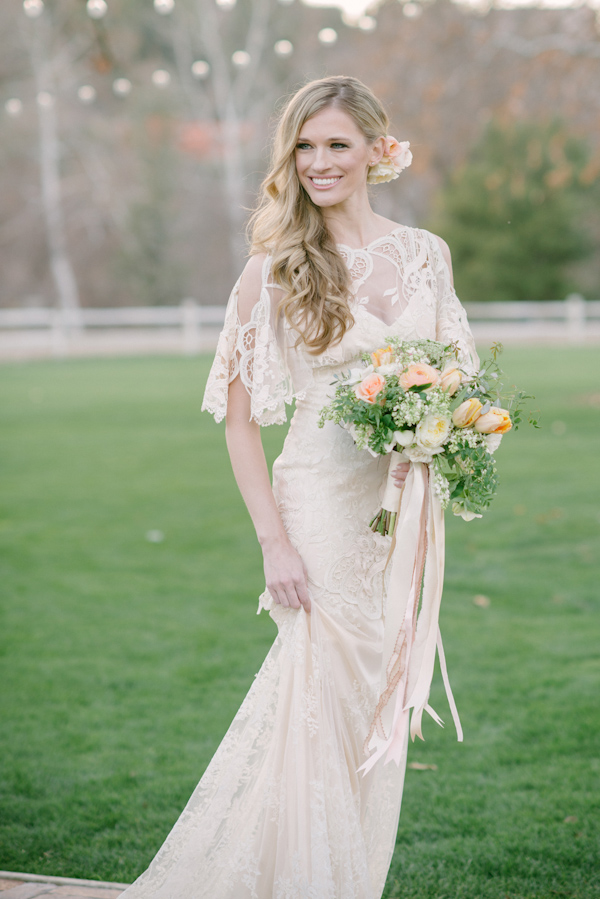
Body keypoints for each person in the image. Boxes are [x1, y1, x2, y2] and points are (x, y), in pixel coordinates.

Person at [120, 75, 479, 899]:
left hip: (398, 511)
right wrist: (273, 541)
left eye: (336, 145)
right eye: (305, 147)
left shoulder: (426, 253)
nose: (318, 162)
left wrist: (443, 432)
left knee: (368, 715)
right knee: (316, 705)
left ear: (377, 150)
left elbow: (457, 382)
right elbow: (240, 421)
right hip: (316, 502)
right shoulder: (275, 268)